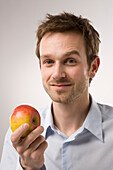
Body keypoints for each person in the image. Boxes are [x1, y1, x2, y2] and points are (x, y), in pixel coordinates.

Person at [1, 12, 113, 170]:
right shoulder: (19, 138)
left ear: (93, 67)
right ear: (40, 66)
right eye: (48, 61)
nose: (57, 74)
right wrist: (29, 168)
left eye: (70, 61)